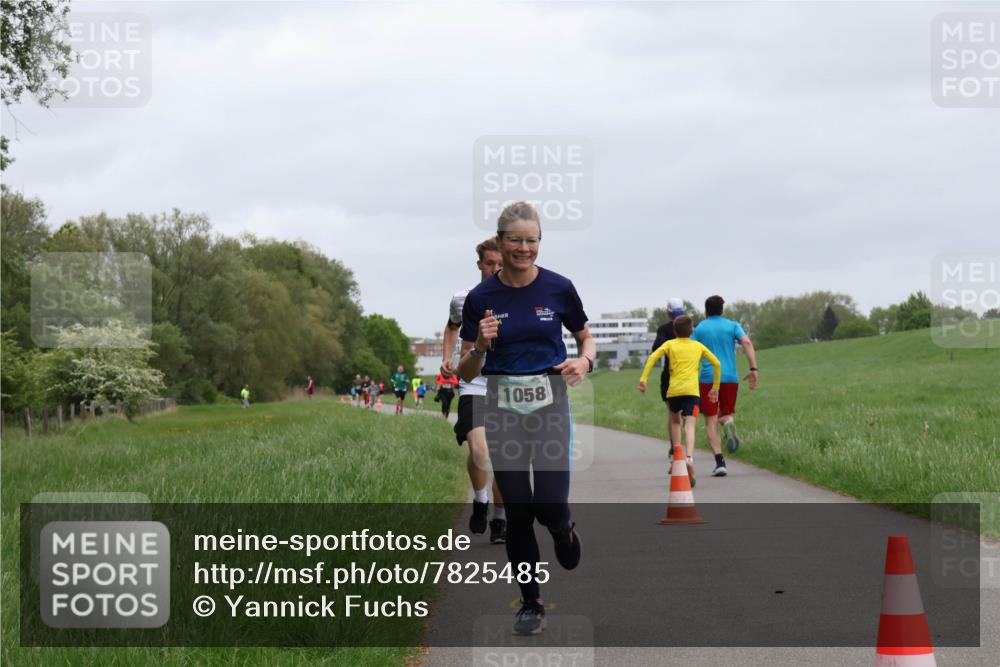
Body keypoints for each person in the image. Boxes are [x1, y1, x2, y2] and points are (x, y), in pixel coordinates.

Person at [458, 201, 595, 636]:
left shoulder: (559, 288)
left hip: (550, 399)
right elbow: (464, 371)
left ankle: (563, 528)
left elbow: (585, 338)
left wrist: (584, 362)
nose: (524, 248)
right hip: (501, 402)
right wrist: (479, 345)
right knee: (517, 509)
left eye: (531, 240)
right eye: (515, 240)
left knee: (550, 502)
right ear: (500, 242)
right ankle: (531, 602)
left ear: (540, 242)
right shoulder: (480, 299)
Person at [442, 237, 508, 545]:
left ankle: (500, 519)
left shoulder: (518, 298)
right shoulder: (463, 298)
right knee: (480, 452)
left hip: (508, 387)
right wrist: (447, 356)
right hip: (474, 384)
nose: (496, 269)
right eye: (490, 263)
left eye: (501, 263)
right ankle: (480, 498)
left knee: (506, 460)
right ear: (480, 264)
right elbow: (452, 326)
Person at [638, 315, 721, 485]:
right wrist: (715, 387)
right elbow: (717, 363)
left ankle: (677, 457)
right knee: (689, 425)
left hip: (673, 392)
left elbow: (653, 357)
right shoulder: (698, 346)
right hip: (692, 392)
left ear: (674, 331)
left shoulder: (669, 344)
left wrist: (644, 379)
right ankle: (689, 458)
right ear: (692, 331)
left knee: (675, 422)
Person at [692, 295, 760, 475]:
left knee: (711, 420)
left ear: (706, 311)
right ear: (722, 310)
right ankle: (729, 422)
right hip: (730, 377)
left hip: (708, 379)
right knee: (726, 414)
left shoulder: (700, 328)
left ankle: (720, 462)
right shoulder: (732, 325)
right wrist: (753, 368)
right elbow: (746, 341)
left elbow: (690, 350)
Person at [650, 297, 686, 449]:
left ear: (668, 313)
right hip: (689, 374)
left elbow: (656, 349)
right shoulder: (691, 327)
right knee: (688, 414)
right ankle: (689, 448)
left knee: (672, 414)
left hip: (670, 376)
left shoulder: (664, 329)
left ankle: (674, 447)